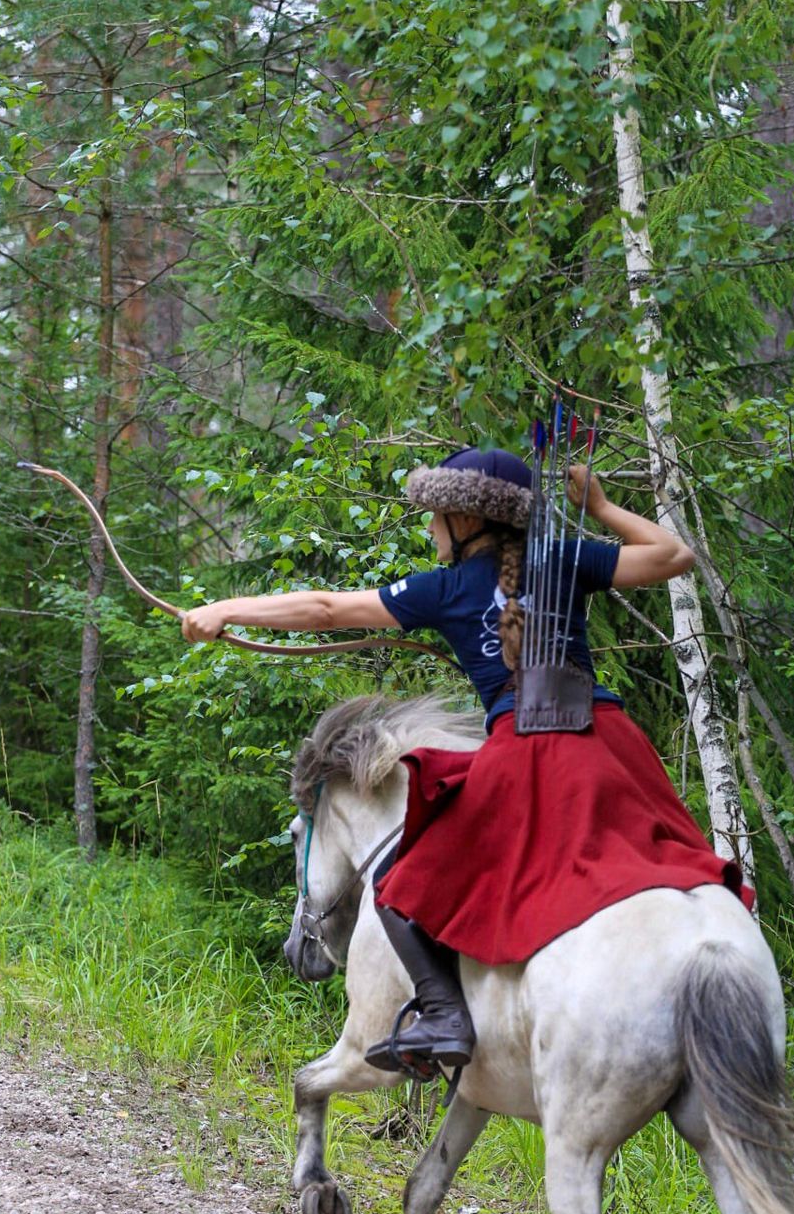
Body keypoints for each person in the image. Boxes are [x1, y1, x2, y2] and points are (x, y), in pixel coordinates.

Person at [181, 446, 751, 1080]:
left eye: (435, 515)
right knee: (654, 860)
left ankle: (445, 1014)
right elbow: (675, 556)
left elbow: (325, 609)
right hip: (610, 743)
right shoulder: (561, 556)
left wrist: (225, 610)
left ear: (466, 517)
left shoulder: (445, 588)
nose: (429, 528)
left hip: (529, 750)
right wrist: (602, 508)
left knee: (401, 877)